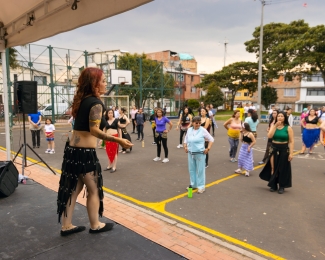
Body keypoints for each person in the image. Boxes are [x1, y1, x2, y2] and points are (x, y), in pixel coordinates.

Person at [57, 67, 132, 236]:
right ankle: (95, 224)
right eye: (103, 81)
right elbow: (94, 130)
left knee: (73, 190)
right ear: (94, 83)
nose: (105, 83)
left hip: (72, 152)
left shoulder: (82, 100)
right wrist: (119, 140)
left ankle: (66, 225)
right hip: (84, 154)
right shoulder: (96, 104)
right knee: (94, 190)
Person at [259, 111, 294, 194]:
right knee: (273, 167)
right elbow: (269, 136)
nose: (280, 117)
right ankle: (273, 184)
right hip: (274, 148)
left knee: (282, 168)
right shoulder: (274, 126)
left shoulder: (288, 128)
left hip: (284, 149)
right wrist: (274, 126)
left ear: (285, 118)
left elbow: (291, 141)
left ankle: (282, 186)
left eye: (282, 116)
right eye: (279, 116)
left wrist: (291, 153)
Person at [184, 116, 214, 194]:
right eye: (196, 123)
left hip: (200, 153)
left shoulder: (203, 130)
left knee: (200, 171)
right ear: (193, 123)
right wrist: (185, 146)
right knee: (191, 170)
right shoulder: (189, 130)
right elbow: (186, 139)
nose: (198, 124)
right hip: (190, 153)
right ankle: (193, 185)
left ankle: (201, 187)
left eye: (199, 123)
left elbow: (211, 139)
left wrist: (208, 148)